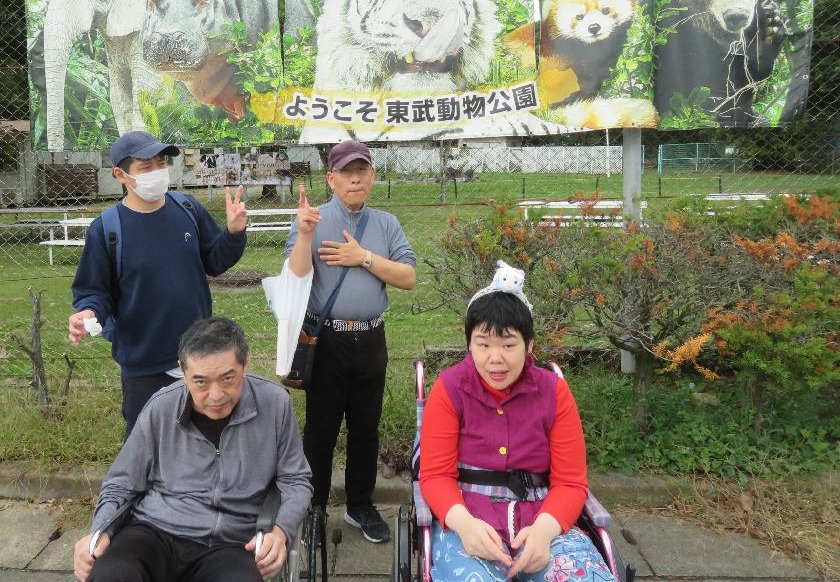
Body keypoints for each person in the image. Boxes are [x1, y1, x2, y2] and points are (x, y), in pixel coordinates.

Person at [73, 317, 313, 582]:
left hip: (232, 543)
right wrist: (99, 531)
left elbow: (296, 479)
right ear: (183, 371)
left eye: (228, 378)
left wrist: (280, 532)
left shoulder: (275, 404)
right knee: (111, 573)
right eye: (200, 382)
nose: (216, 395)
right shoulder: (161, 407)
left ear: (245, 364)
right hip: (155, 532)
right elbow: (120, 483)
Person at [419, 265, 617, 582]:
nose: (495, 357)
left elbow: (570, 482)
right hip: (469, 520)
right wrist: (465, 525)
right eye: (483, 344)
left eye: (508, 345)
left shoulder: (553, 392)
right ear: (469, 344)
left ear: (529, 345)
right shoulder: (450, 389)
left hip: (544, 519)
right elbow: (435, 476)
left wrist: (544, 531)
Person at [68, 131, 248, 436]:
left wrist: (233, 233)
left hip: (199, 358)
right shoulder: (107, 229)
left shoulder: (187, 209)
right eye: (146, 167)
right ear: (121, 175)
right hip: (144, 363)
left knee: (205, 441)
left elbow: (215, 261)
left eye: (161, 163)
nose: (157, 172)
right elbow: (94, 290)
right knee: (148, 446)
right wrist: (89, 311)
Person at [286, 140, 416, 544]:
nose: (355, 178)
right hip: (327, 341)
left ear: (372, 175)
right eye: (346, 171)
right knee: (320, 430)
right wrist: (304, 236)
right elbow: (295, 276)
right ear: (331, 179)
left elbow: (408, 277)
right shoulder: (312, 219)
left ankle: (360, 505)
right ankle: (314, 509)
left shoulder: (386, 224)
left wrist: (364, 257)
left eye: (362, 170)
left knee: (365, 428)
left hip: (371, 340)